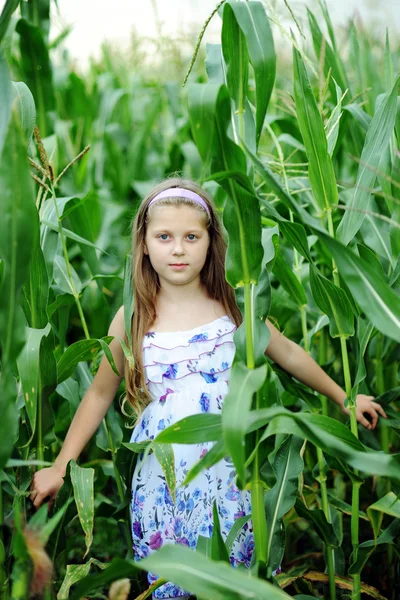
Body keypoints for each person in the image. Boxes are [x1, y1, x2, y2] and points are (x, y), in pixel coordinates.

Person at [30, 177, 387, 599]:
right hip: (165, 480)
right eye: (164, 236)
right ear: (144, 244)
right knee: (174, 582)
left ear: (210, 242)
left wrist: (343, 397)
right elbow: (99, 394)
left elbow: (287, 352)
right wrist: (59, 465)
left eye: (191, 236)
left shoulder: (235, 307)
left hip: (232, 472)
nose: (178, 248)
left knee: (237, 581)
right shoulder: (133, 317)